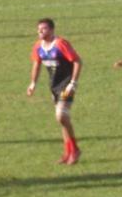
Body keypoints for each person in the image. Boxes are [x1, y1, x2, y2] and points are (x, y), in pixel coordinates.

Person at [27, 18, 82, 165]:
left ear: (51, 30)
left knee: (61, 116)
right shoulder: (38, 46)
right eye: (39, 29)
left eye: (43, 29)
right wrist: (33, 83)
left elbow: (77, 61)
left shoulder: (60, 44)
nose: (40, 31)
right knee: (63, 121)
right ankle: (67, 152)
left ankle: (75, 149)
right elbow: (36, 64)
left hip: (66, 85)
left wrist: (73, 83)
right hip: (54, 87)